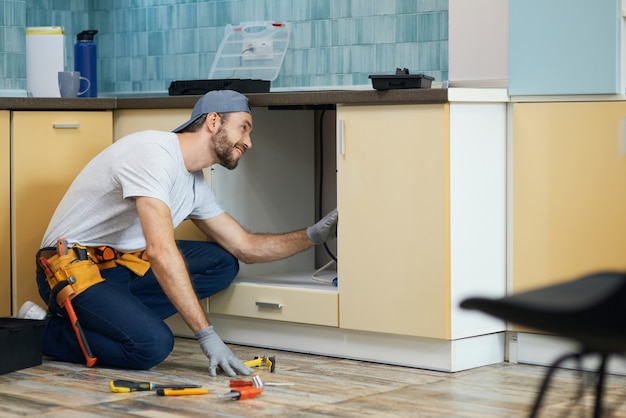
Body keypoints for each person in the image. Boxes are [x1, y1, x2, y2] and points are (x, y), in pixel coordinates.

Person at [21, 90, 338, 377]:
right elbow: (160, 251)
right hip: (70, 270)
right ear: (213, 121)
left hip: (121, 266)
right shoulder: (153, 154)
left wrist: (312, 235)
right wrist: (206, 334)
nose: (249, 142)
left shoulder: (194, 183)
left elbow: (246, 247)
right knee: (151, 346)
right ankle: (42, 329)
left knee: (222, 262)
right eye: (244, 127)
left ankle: (117, 320)